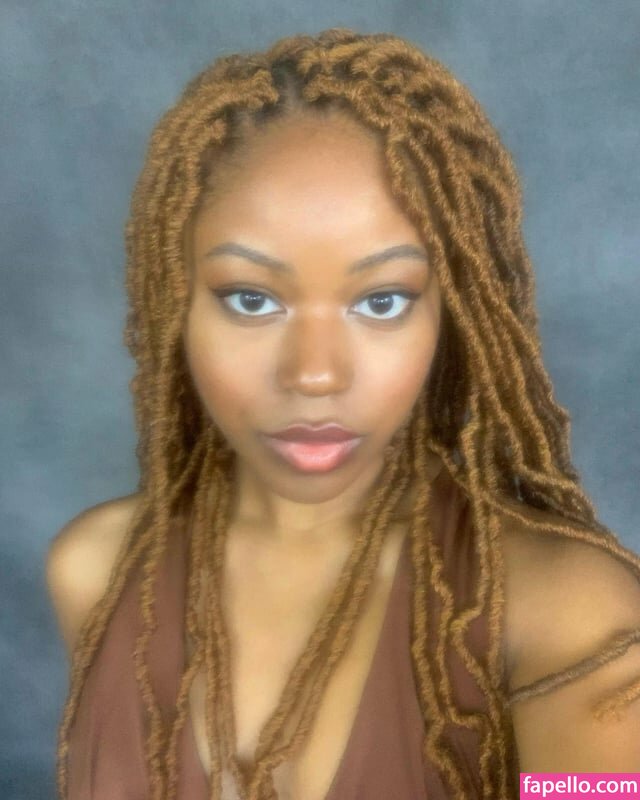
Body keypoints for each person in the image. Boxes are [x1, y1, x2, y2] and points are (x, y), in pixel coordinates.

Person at [46, 27, 640, 800]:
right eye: (250, 299)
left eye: (382, 301)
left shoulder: (574, 622)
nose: (315, 374)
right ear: (173, 305)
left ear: (453, 316)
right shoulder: (97, 572)